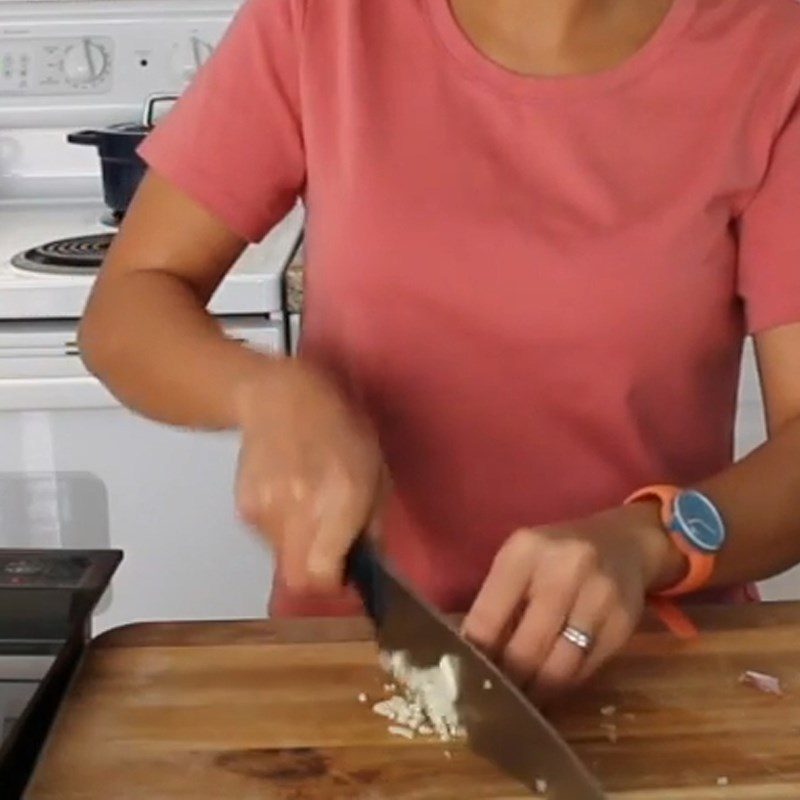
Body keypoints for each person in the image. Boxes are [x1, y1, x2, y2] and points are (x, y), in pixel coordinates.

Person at [79, 0, 800, 701]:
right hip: (353, 664)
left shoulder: (773, 48)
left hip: (657, 672)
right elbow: (130, 304)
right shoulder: (322, 18)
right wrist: (266, 393)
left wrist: (648, 542)